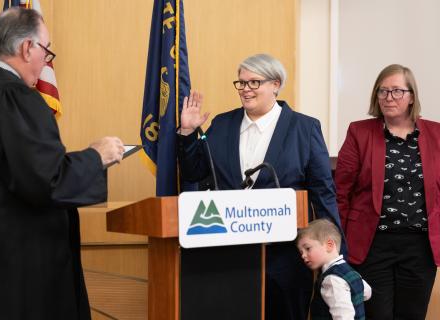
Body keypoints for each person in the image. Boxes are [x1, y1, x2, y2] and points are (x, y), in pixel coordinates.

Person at [0, 8, 124, 320]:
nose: (46, 63)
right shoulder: (13, 96)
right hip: (21, 269)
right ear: (27, 48)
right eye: (46, 51)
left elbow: (18, 169)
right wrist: (96, 156)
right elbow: (49, 181)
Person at [177, 53, 342, 319]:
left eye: (254, 83)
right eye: (241, 83)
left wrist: (333, 253)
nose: (245, 90)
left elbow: (323, 191)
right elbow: (195, 172)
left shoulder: (304, 128)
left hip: (285, 258)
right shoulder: (221, 124)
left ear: (275, 84)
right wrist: (187, 133)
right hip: (230, 257)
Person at [335, 64, 440, 319]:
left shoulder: (436, 134)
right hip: (372, 245)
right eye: (382, 91)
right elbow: (341, 191)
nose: (388, 98)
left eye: (396, 91)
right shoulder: (359, 132)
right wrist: (340, 240)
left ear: (412, 96)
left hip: (420, 247)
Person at [297, 219, 371, 320]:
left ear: (329, 245)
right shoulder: (350, 271)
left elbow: (343, 317)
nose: (303, 255)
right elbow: (367, 293)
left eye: (307, 248)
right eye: (301, 252)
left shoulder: (332, 279)